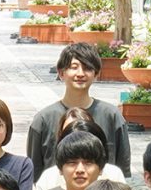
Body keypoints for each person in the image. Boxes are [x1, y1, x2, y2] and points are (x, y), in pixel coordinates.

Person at [25, 42, 131, 174]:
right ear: (61, 73)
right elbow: (34, 170)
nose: (80, 74)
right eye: (73, 67)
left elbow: (123, 169)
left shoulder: (112, 116)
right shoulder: (43, 119)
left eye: (87, 68)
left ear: (96, 73)